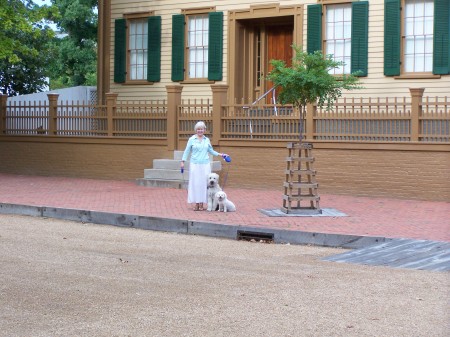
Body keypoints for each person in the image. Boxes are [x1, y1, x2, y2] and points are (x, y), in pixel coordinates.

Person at [180, 121, 228, 211]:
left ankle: (202, 203)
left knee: (204, 184)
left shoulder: (207, 140)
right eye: (198, 129)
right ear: (196, 130)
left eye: (201, 129)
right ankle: (196, 203)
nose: (200, 131)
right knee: (195, 184)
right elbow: (187, 151)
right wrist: (182, 161)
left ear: (204, 130)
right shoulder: (191, 139)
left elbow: (211, 151)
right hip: (194, 164)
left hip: (205, 164)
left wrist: (221, 155)